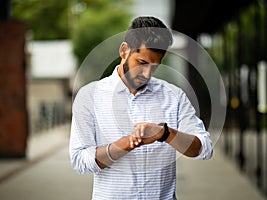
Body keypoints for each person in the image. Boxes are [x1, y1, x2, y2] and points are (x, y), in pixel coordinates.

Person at [69, 16, 213, 200]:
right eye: (142, 63)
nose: (146, 74)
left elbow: (204, 148)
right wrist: (129, 143)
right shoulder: (89, 96)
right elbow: (80, 161)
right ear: (124, 50)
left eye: (154, 66)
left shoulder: (173, 96)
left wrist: (165, 134)